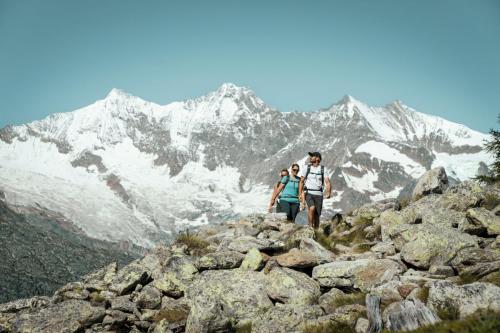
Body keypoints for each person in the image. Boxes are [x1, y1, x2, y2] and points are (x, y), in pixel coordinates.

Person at [299, 152, 332, 229]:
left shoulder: (323, 169)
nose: (310, 157)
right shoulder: (306, 168)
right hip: (309, 192)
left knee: (317, 215)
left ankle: (316, 229)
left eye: (312, 156)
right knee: (311, 208)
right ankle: (310, 227)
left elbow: (327, 182)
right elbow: (301, 181)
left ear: (318, 158)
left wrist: (329, 192)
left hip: (319, 194)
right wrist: (300, 193)